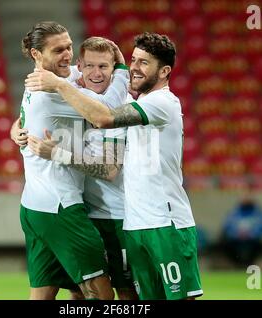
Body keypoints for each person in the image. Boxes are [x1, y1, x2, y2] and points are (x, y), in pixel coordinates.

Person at [26, 32, 203, 300]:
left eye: (105, 66)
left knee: (130, 294)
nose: (135, 68)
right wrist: (18, 129)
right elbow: (50, 91)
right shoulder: (78, 101)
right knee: (82, 292)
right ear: (80, 67)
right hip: (99, 215)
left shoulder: (136, 105)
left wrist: (59, 154)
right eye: (133, 61)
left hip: (129, 218)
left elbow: (108, 160)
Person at [13, 36, 138, 300]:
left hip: (44, 207)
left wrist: (16, 130)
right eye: (58, 50)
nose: (67, 55)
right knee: (102, 298)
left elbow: (110, 167)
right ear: (37, 54)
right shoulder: (57, 90)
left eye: (69, 47)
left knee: (59, 294)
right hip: (62, 207)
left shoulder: (52, 82)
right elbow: (105, 112)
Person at [221, 193, 262, 268]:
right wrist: (237, 234)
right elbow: (228, 226)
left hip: (252, 240)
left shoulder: (258, 214)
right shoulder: (234, 213)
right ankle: (237, 264)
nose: (246, 202)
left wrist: (250, 235)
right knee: (225, 244)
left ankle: (249, 263)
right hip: (236, 239)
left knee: (258, 246)